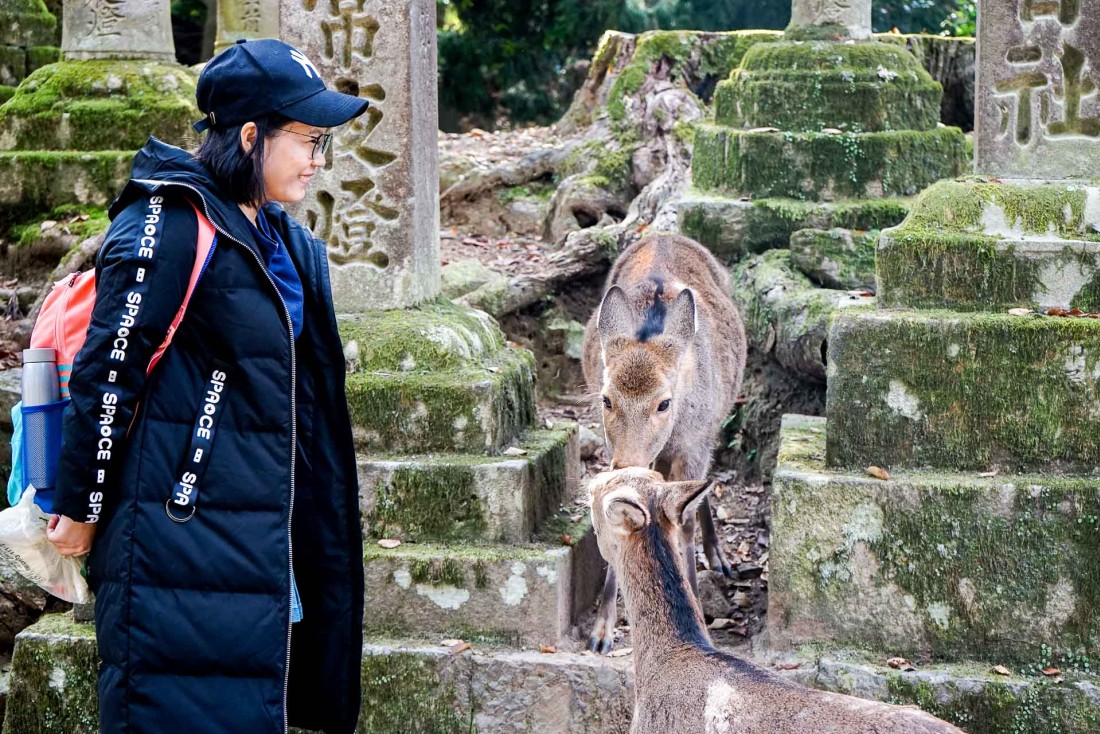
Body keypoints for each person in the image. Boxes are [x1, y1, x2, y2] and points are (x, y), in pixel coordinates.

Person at [45, 38, 365, 734]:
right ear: (252, 135)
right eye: (309, 140)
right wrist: (82, 503)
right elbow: (109, 372)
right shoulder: (168, 223)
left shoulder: (284, 239)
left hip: (258, 538)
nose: (318, 159)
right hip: (174, 539)